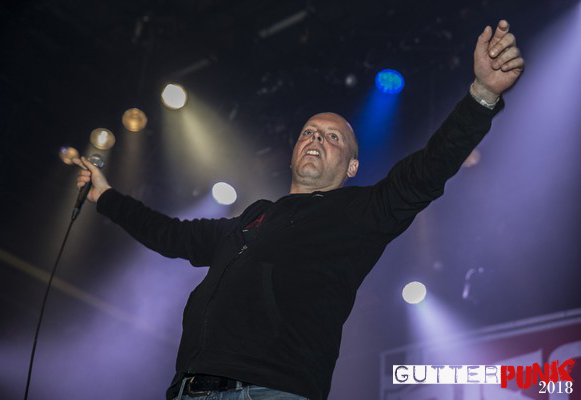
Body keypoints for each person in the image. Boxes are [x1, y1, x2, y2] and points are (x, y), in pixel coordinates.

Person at [75, 20, 524, 400]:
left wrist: (482, 95)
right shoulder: (251, 219)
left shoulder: (359, 212)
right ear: (292, 154)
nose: (316, 139)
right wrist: (106, 197)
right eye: (309, 133)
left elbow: (427, 170)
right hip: (189, 389)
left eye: (332, 137)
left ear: (351, 166)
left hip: (272, 390)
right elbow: (171, 234)